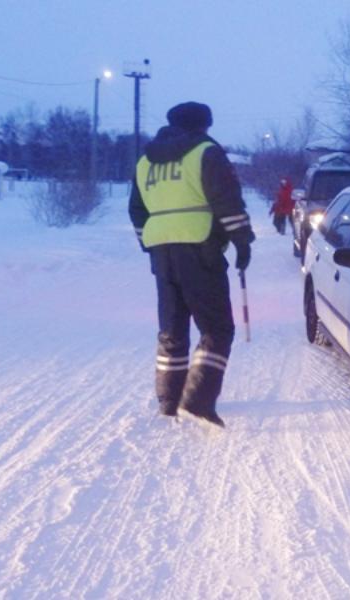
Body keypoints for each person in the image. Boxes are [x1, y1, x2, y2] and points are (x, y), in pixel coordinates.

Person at [128, 101, 255, 428]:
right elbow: (225, 199)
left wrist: (151, 242)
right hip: (201, 248)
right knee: (217, 328)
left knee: (172, 328)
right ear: (204, 125)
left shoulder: (146, 161)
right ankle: (198, 400)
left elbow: (136, 210)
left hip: (162, 253)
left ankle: (169, 400)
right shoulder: (205, 152)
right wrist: (241, 239)